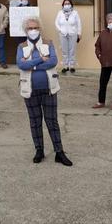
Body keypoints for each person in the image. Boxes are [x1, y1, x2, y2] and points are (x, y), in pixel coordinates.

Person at [17, 16, 73, 166]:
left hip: (49, 89)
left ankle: (59, 152)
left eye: (35, 28)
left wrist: (31, 64)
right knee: (35, 122)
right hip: (30, 90)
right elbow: (21, 65)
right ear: (25, 30)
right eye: (30, 28)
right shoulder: (21, 46)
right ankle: (39, 150)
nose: (33, 30)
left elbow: (53, 61)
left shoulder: (48, 43)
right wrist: (41, 60)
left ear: (40, 29)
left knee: (52, 121)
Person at [54, 0, 82, 73]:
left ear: (71, 5)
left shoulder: (75, 13)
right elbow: (56, 23)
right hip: (62, 34)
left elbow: (78, 23)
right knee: (64, 50)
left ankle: (71, 66)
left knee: (72, 50)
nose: (67, 5)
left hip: (73, 34)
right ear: (63, 5)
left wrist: (79, 33)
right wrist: (60, 30)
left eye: (68, 3)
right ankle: (65, 66)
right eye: (65, 4)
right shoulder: (60, 13)